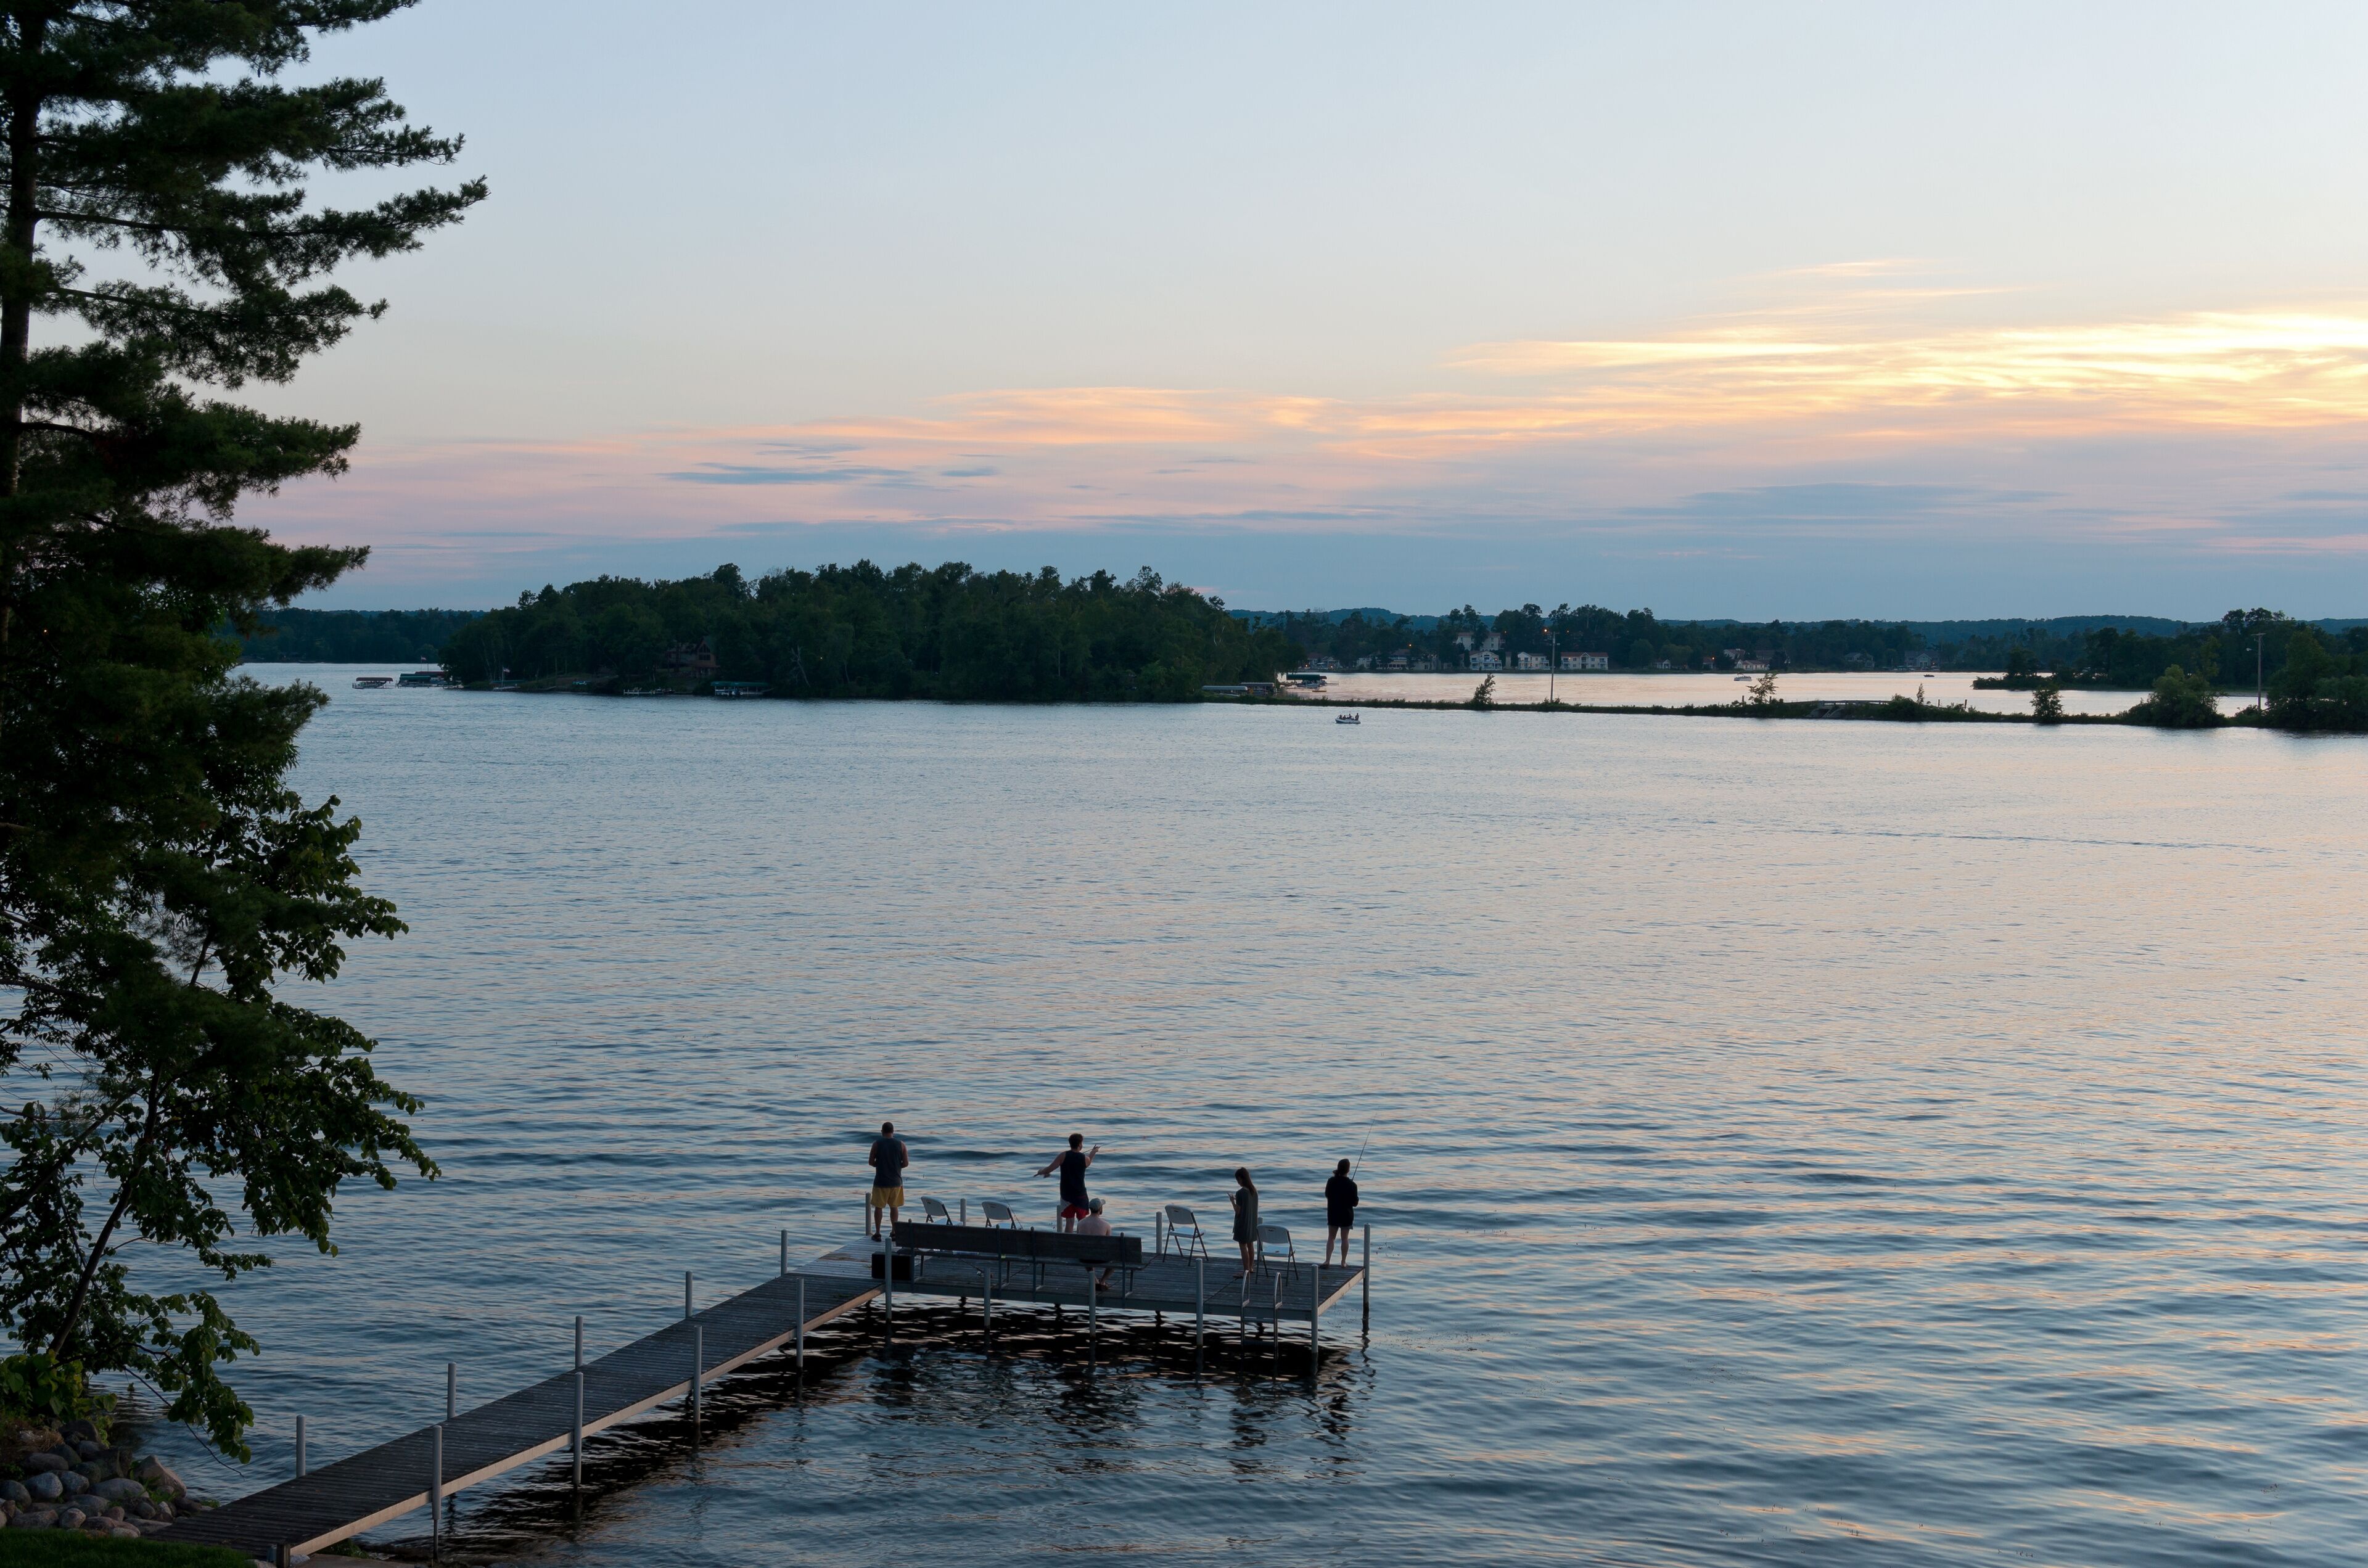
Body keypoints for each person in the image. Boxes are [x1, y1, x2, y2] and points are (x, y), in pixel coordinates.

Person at [1035, 1132, 1100, 1233]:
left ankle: (1067, 1244)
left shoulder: (1063, 1156)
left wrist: (1041, 1172)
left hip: (1066, 1195)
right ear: (1080, 1145)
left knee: (1069, 1222)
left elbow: (1049, 1169)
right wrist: (1094, 1152)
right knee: (1082, 1222)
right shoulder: (1084, 1158)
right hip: (1080, 1195)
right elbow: (1089, 1162)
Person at [867, 1121, 908, 1241]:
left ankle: (878, 1233)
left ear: (882, 1132)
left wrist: (879, 1165)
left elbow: (871, 1162)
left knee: (879, 1207)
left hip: (881, 1181)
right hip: (896, 1182)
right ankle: (894, 1232)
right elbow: (905, 1164)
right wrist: (896, 1166)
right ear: (893, 1132)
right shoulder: (901, 1144)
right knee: (894, 1207)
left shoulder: (876, 1144)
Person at [1323, 1158, 1360, 1265]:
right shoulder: (1352, 1185)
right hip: (1346, 1216)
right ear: (1348, 1170)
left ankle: (1327, 1261)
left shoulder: (1331, 1181)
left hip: (1333, 1214)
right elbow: (1355, 1203)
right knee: (1345, 1239)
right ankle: (1343, 1262)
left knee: (1331, 1238)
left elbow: (1327, 1195)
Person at [1076, 1196, 1117, 1287]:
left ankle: (1095, 1280)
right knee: (1117, 1259)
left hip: (1084, 1257)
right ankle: (1102, 1282)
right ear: (1100, 1209)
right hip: (1100, 1257)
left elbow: (1079, 1241)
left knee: (1086, 1251)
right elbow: (1108, 1245)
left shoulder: (1081, 1223)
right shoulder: (1106, 1225)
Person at [1229, 1167, 1259, 1276]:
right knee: (1250, 1245)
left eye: (1238, 1180)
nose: (1238, 1183)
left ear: (1242, 1179)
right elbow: (1249, 1206)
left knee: (1243, 1246)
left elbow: (1238, 1211)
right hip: (1252, 1223)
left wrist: (1232, 1201)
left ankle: (1245, 1271)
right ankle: (1250, 1268)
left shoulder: (1241, 1193)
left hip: (1243, 1223)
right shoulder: (1254, 1191)